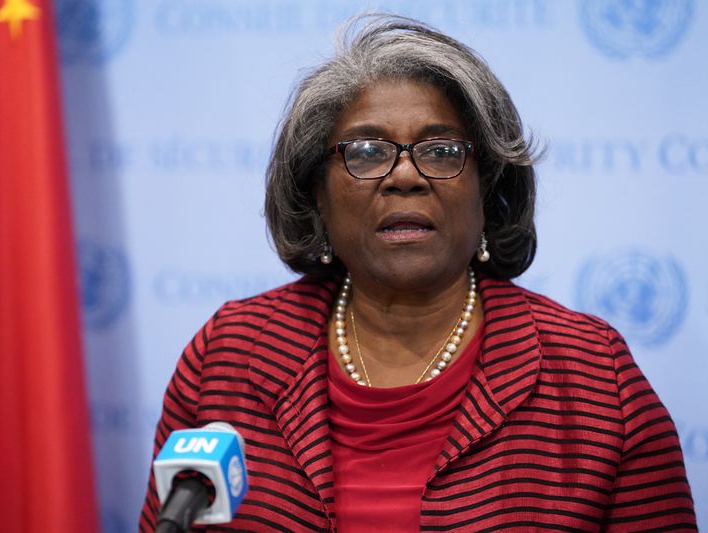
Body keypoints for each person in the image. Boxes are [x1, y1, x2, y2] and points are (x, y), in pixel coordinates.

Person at [139, 15, 696, 532]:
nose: (404, 176)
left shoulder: (594, 375)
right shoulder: (230, 353)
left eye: (441, 149)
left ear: (488, 187)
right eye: (365, 150)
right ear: (317, 193)